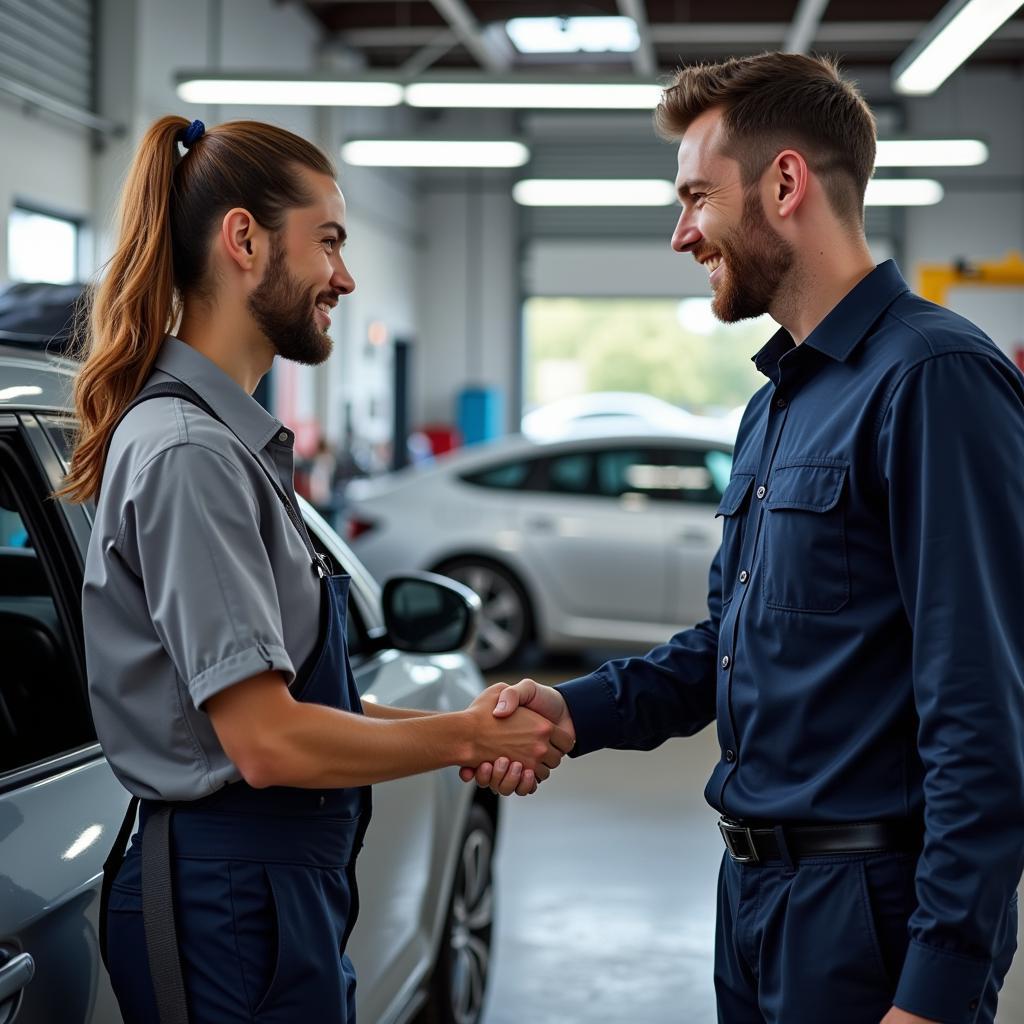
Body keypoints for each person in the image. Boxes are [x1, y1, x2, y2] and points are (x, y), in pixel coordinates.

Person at [464, 53, 1024, 1024]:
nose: (679, 233)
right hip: (755, 902)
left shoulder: (933, 380)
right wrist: (571, 710)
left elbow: (983, 705)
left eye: (694, 197)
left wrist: (939, 982)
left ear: (784, 182)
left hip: (867, 919)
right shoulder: (774, 406)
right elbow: (729, 648)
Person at [57, 116, 571, 1024]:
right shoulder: (189, 452)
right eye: (328, 241)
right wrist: (469, 740)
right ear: (244, 240)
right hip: (227, 905)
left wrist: (460, 722)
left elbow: (299, 697)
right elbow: (268, 741)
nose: (345, 275)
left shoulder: (228, 444)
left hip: (261, 896)